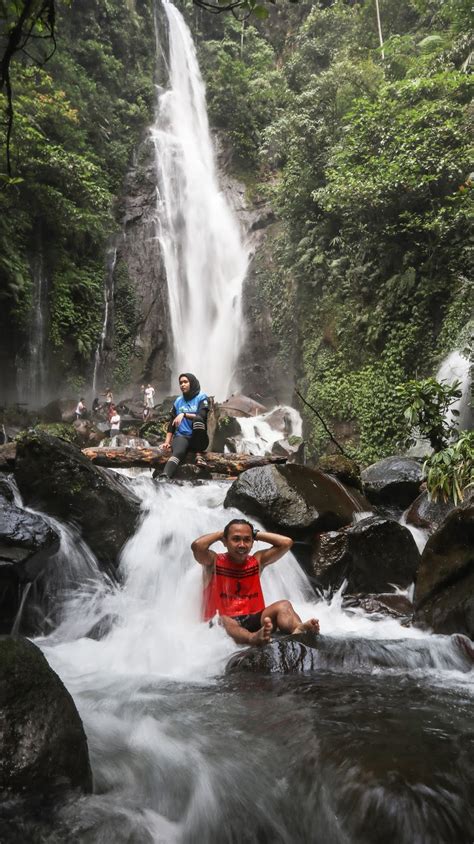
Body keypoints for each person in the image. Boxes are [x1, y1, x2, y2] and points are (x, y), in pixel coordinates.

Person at [191, 519, 320, 647]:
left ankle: (298, 629)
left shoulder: (257, 561)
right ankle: (252, 638)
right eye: (236, 539)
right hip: (220, 624)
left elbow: (286, 543)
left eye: (247, 540)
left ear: (252, 543)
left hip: (254, 619)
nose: (242, 545)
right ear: (225, 542)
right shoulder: (213, 562)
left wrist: (255, 534)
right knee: (224, 620)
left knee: (284, 605)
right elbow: (197, 546)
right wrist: (221, 534)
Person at [161, 372, 209, 479]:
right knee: (177, 453)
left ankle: (198, 454)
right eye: (180, 383)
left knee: (198, 421)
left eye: (185, 382)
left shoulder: (202, 397)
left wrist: (184, 414)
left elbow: (202, 415)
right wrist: (167, 442)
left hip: (199, 438)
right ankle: (164, 477)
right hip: (182, 436)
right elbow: (172, 423)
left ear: (192, 383)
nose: (182, 385)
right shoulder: (178, 401)